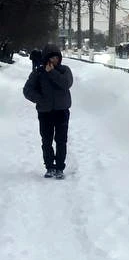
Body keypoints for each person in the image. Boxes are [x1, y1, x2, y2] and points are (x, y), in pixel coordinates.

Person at [22, 45, 73, 179]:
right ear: (46, 59)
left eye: (56, 57)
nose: (54, 60)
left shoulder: (64, 70)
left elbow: (66, 84)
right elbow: (27, 90)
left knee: (61, 140)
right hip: (45, 112)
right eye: (51, 58)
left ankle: (60, 167)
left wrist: (52, 73)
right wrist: (40, 99)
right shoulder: (38, 73)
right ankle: (49, 166)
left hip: (61, 111)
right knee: (46, 140)